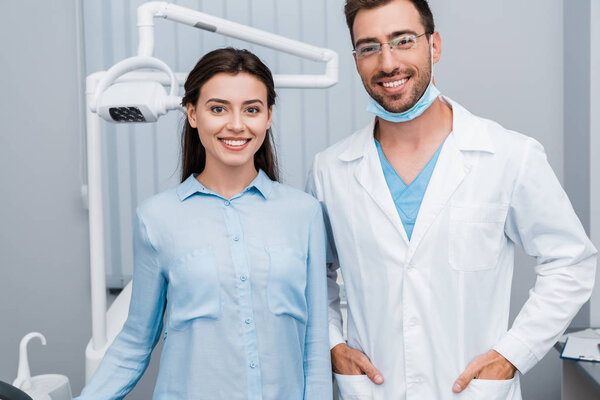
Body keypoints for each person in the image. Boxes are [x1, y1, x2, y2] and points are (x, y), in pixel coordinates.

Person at [306, 1, 597, 399]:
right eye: (370, 47)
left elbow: (571, 261)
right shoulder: (330, 171)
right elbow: (313, 277)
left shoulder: (509, 155)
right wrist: (334, 346)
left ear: (434, 46)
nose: (388, 62)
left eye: (403, 40)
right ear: (356, 60)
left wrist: (511, 355)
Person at [77, 48, 332, 400]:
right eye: (218, 108)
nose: (237, 124)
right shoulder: (156, 218)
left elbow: (315, 344)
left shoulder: (304, 213)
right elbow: (135, 342)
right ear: (192, 113)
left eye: (252, 109)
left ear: (269, 116)